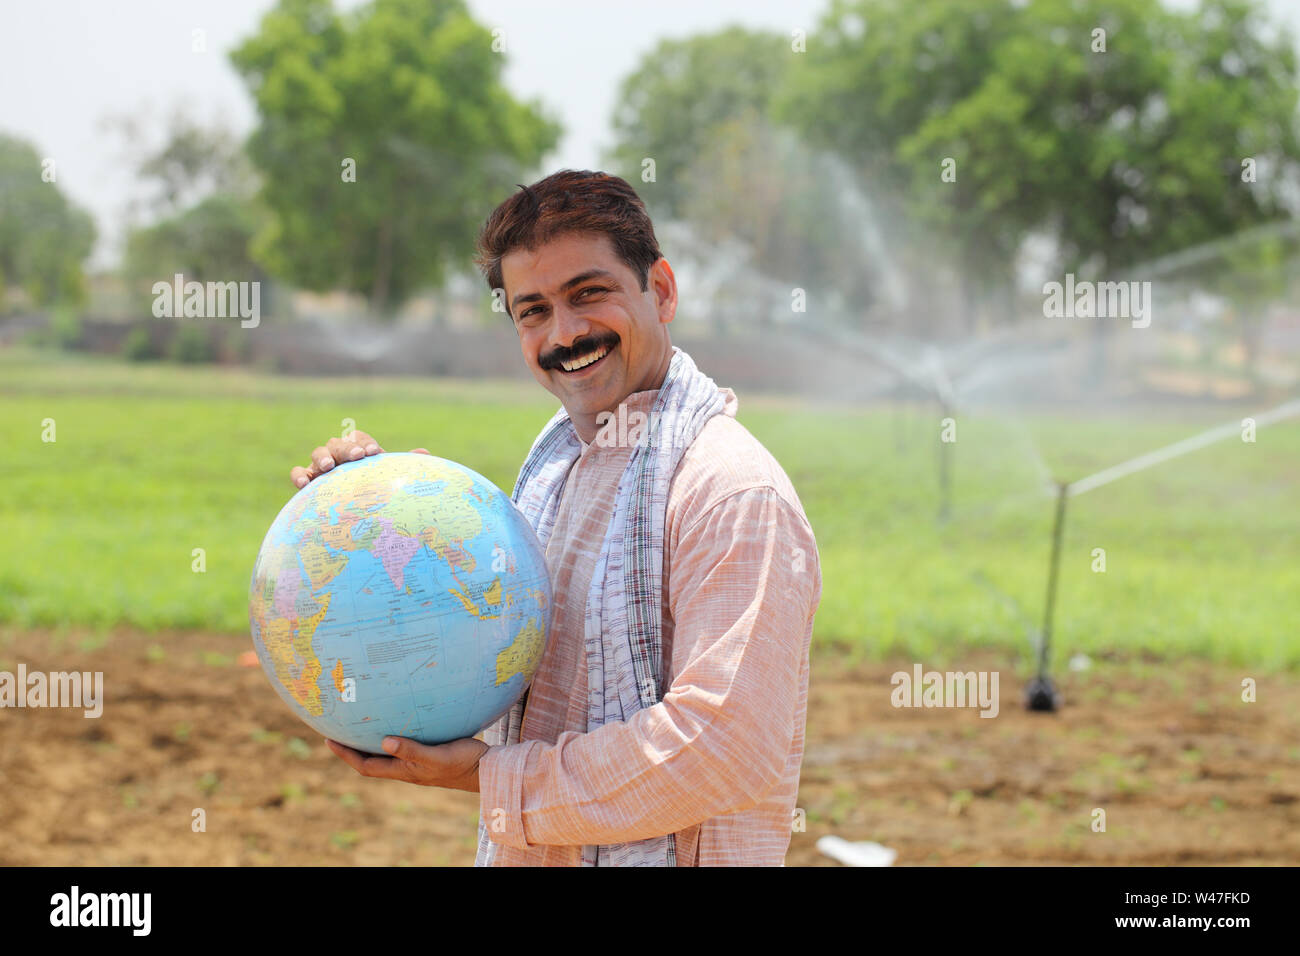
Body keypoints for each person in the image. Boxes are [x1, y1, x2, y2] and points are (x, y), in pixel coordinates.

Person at [292, 170, 822, 866]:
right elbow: (483, 628)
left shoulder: (730, 492)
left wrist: (490, 778)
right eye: (533, 310)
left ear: (659, 290)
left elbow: (720, 749)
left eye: (589, 294)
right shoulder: (557, 469)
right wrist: (374, 505)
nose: (565, 333)